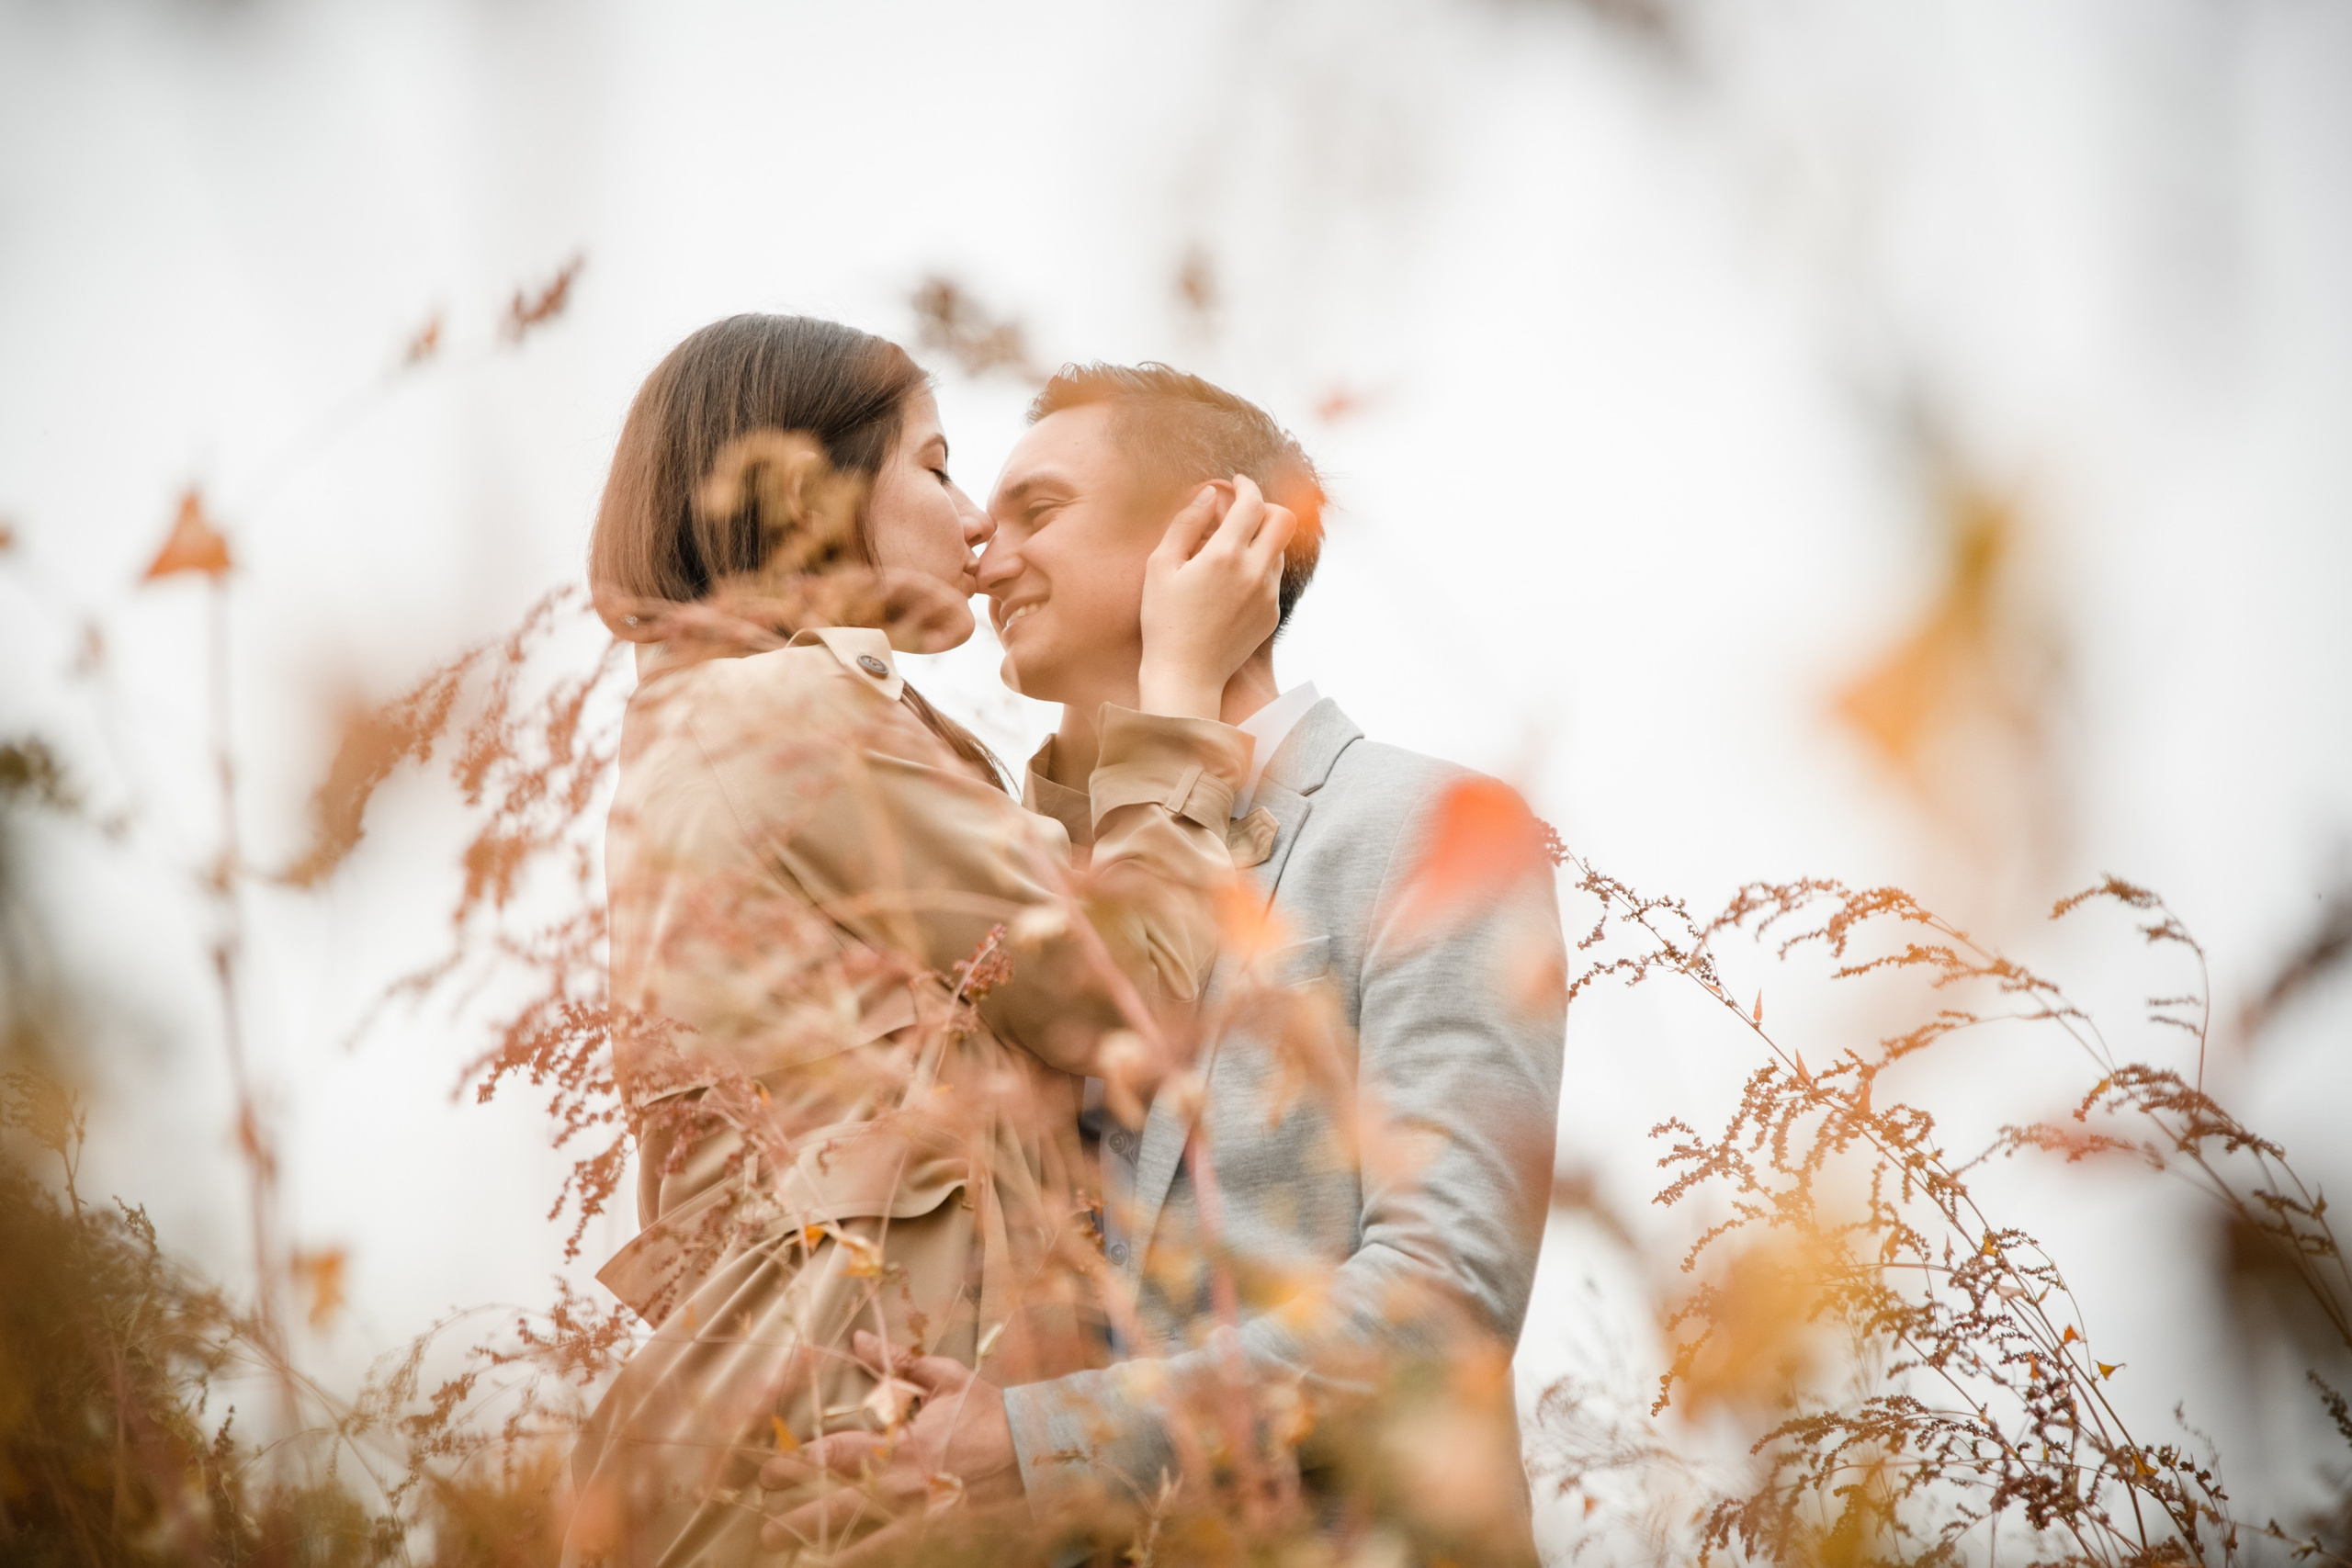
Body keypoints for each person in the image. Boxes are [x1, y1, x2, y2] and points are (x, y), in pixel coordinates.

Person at [763, 364, 1567, 1562]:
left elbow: (1440, 1312)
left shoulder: (1427, 828)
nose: (981, 547)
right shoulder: (988, 879)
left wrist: (1036, 1438)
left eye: (1038, 511)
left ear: (1213, 527)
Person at [567, 318, 1295, 1567]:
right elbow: (1126, 999)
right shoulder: (790, 715)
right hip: (842, 1479)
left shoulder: (732, 717)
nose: (977, 528)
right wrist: (1176, 699)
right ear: (813, 487)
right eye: (939, 467)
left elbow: (1011, 997)